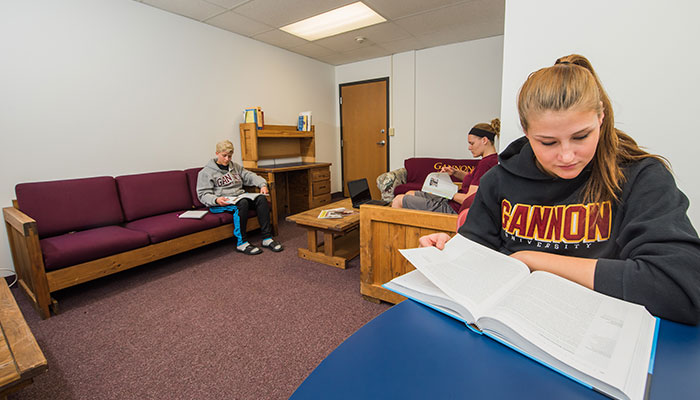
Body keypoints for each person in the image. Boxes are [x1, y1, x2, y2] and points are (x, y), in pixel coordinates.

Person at [419, 54, 700, 325]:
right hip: (511, 327)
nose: (567, 156)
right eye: (548, 142)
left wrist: (533, 260)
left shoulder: (640, 177)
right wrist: (450, 251)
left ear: (600, 118)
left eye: (581, 136)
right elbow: (476, 256)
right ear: (526, 133)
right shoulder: (499, 180)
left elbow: (682, 285)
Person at [391, 119, 500, 214]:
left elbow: (469, 200)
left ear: (484, 140)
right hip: (453, 202)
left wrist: (445, 192)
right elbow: (475, 180)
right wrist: (455, 173)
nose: (469, 147)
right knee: (410, 193)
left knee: (398, 200)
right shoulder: (491, 160)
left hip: (455, 209)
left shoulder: (486, 164)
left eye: (472, 143)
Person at [197, 140, 283, 255]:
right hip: (220, 203)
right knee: (242, 204)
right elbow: (203, 194)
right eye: (224, 156)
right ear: (217, 153)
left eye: (230, 156)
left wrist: (262, 185)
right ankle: (241, 243)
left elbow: (250, 176)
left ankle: (267, 238)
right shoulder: (206, 172)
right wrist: (216, 200)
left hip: (239, 197)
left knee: (261, 199)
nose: (227, 159)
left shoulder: (235, 167)